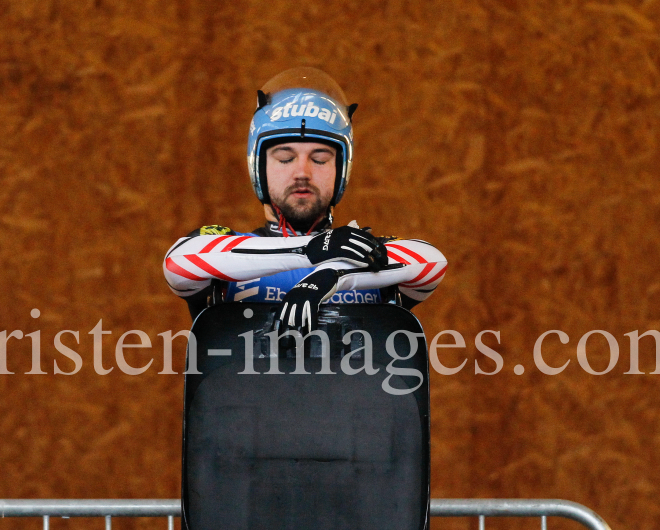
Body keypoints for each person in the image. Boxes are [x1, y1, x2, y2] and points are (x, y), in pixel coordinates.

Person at [162, 67, 447, 334]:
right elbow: (178, 263)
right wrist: (310, 250)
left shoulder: (363, 252)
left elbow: (431, 262)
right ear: (258, 166)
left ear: (342, 170)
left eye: (320, 159)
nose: (302, 172)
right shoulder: (225, 252)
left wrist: (332, 275)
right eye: (285, 158)